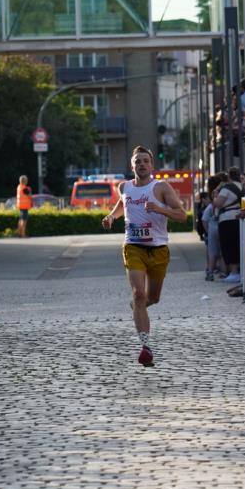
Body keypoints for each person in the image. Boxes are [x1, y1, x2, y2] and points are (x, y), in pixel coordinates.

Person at [102, 145, 186, 367]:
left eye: (145, 161)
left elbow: (182, 215)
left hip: (158, 249)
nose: (141, 164)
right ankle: (145, 346)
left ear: (152, 165)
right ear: (132, 166)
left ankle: (138, 308)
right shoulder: (125, 187)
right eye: (137, 161)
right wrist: (111, 217)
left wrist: (160, 209)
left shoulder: (161, 187)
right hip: (133, 247)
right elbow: (123, 204)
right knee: (139, 295)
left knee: (153, 298)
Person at [213, 167, 243, 284]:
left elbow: (218, 204)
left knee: (228, 244)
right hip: (238, 217)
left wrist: (215, 195)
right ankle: (239, 271)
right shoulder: (241, 187)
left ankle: (233, 272)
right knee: (237, 243)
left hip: (227, 219)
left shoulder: (226, 188)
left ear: (229, 176)